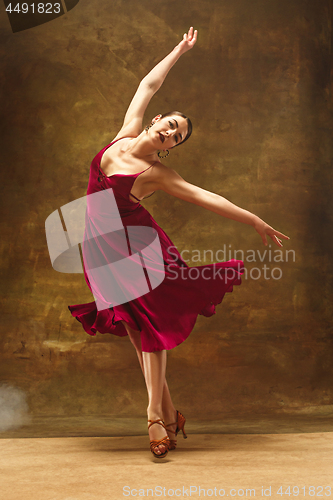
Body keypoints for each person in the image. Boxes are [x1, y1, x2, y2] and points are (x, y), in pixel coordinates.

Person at [69, 27, 289, 459]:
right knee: (136, 329)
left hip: (138, 248)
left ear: (171, 148)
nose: (169, 134)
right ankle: (171, 414)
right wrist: (179, 50)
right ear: (156, 121)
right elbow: (148, 85)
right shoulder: (125, 132)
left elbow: (208, 198)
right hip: (98, 245)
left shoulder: (156, 175)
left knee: (150, 326)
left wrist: (254, 219)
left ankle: (153, 415)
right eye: (170, 125)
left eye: (176, 137)